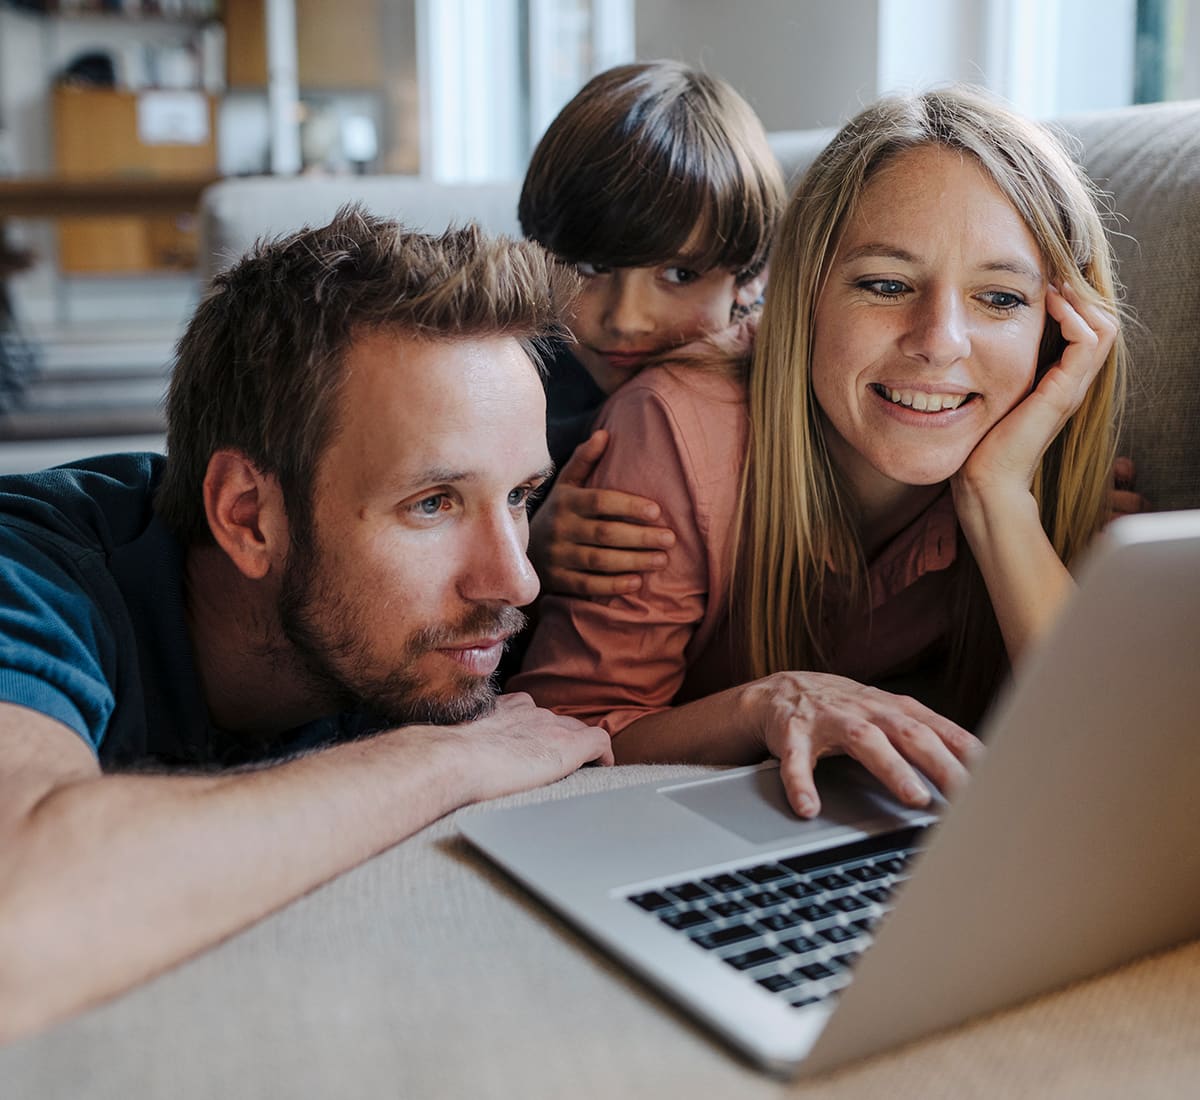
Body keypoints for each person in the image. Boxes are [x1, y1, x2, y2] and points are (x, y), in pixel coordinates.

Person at [0, 207, 612, 1042]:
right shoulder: (30, 574)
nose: (517, 579)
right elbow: (20, 921)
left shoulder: (422, 628)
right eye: (433, 504)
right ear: (249, 516)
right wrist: (445, 760)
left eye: (519, 497)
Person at [512, 85, 1127, 818]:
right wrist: (764, 705)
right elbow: (561, 744)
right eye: (886, 284)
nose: (940, 342)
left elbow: (1120, 776)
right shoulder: (667, 425)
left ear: (1057, 331)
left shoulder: (1034, 453)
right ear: (801, 294)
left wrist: (999, 502)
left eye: (1000, 299)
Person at [517, 60, 786, 600]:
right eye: (591, 268)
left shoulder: (781, 402)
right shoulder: (507, 383)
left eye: (680, 275)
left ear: (749, 279)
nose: (627, 318)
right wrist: (525, 552)